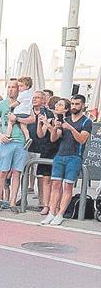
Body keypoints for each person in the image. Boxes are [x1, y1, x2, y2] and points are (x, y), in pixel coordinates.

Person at [43, 94, 94, 226]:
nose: (74, 107)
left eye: (77, 104)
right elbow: (54, 138)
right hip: (60, 155)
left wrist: (70, 128)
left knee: (68, 186)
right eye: (72, 104)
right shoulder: (65, 119)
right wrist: (55, 127)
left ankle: (60, 214)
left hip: (74, 157)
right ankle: (51, 212)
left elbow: (82, 140)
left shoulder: (86, 122)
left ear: (82, 105)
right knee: (55, 185)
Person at [0, 79, 29, 215]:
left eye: (14, 87)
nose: (11, 89)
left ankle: (12, 202)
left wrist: (18, 120)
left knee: (17, 173)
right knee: (2, 172)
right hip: (6, 141)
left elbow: (31, 119)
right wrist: (0, 135)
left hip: (20, 141)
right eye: (9, 87)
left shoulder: (24, 104)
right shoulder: (1, 104)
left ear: (19, 89)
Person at [28, 92, 60, 216]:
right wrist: (40, 123)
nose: (34, 100)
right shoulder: (42, 114)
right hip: (45, 149)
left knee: (54, 181)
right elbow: (40, 134)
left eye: (38, 98)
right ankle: (46, 205)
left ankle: (53, 205)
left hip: (55, 149)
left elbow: (54, 137)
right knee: (44, 178)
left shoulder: (52, 115)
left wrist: (47, 123)